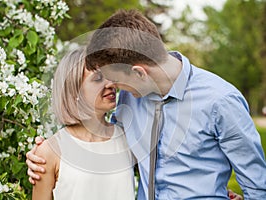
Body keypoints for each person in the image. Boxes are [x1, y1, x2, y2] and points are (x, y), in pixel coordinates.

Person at [26, 10, 266, 199]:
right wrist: (44, 156)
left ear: (139, 73)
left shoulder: (220, 101)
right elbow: (100, 143)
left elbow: (257, 186)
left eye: (116, 80)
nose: (115, 88)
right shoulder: (132, 99)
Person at [31, 47, 135, 200]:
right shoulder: (50, 151)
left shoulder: (128, 138)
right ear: (74, 92)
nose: (111, 83)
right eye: (98, 78)